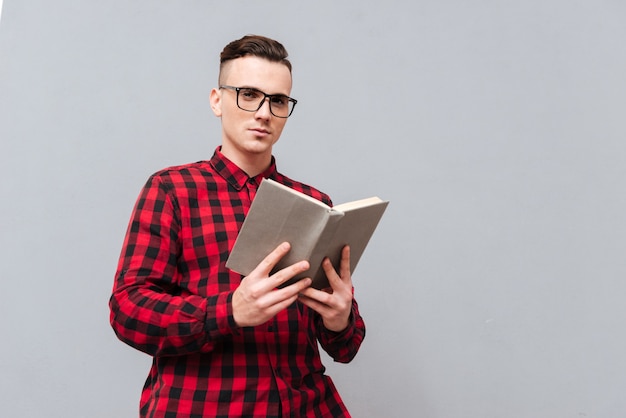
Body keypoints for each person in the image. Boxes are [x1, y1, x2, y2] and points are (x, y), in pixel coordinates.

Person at [109, 35, 366, 417]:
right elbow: (128, 310)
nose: (263, 112)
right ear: (217, 100)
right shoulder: (172, 189)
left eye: (278, 101)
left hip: (307, 406)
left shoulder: (316, 203)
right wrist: (228, 311)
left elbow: (345, 348)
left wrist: (340, 317)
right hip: (205, 407)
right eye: (249, 94)